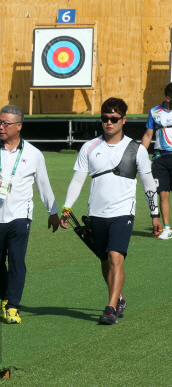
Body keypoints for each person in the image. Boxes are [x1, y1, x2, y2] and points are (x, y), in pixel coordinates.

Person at [60, 98, 161, 325]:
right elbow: (77, 181)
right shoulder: (89, 147)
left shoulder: (137, 150)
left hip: (123, 212)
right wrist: (66, 208)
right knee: (105, 260)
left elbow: (148, 184)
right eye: (105, 118)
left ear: (123, 120)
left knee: (116, 257)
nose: (109, 123)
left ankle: (110, 308)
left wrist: (155, 215)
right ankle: (119, 299)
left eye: (114, 119)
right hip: (96, 213)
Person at [0, 105, 60, 324]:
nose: (1, 127)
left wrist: (52, 212)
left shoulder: (33, 154)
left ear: (19, 126)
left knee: (17, 260)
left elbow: (43, 185)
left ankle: (14, 307)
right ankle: (5, 298)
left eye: (6, 123)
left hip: (21, 216)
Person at [141, 82, 172, 239]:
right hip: (160, 158)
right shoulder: (155, 112)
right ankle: (167, 228)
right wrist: (140, 155)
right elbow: (148, 135)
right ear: (168, 98)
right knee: (163, 194)